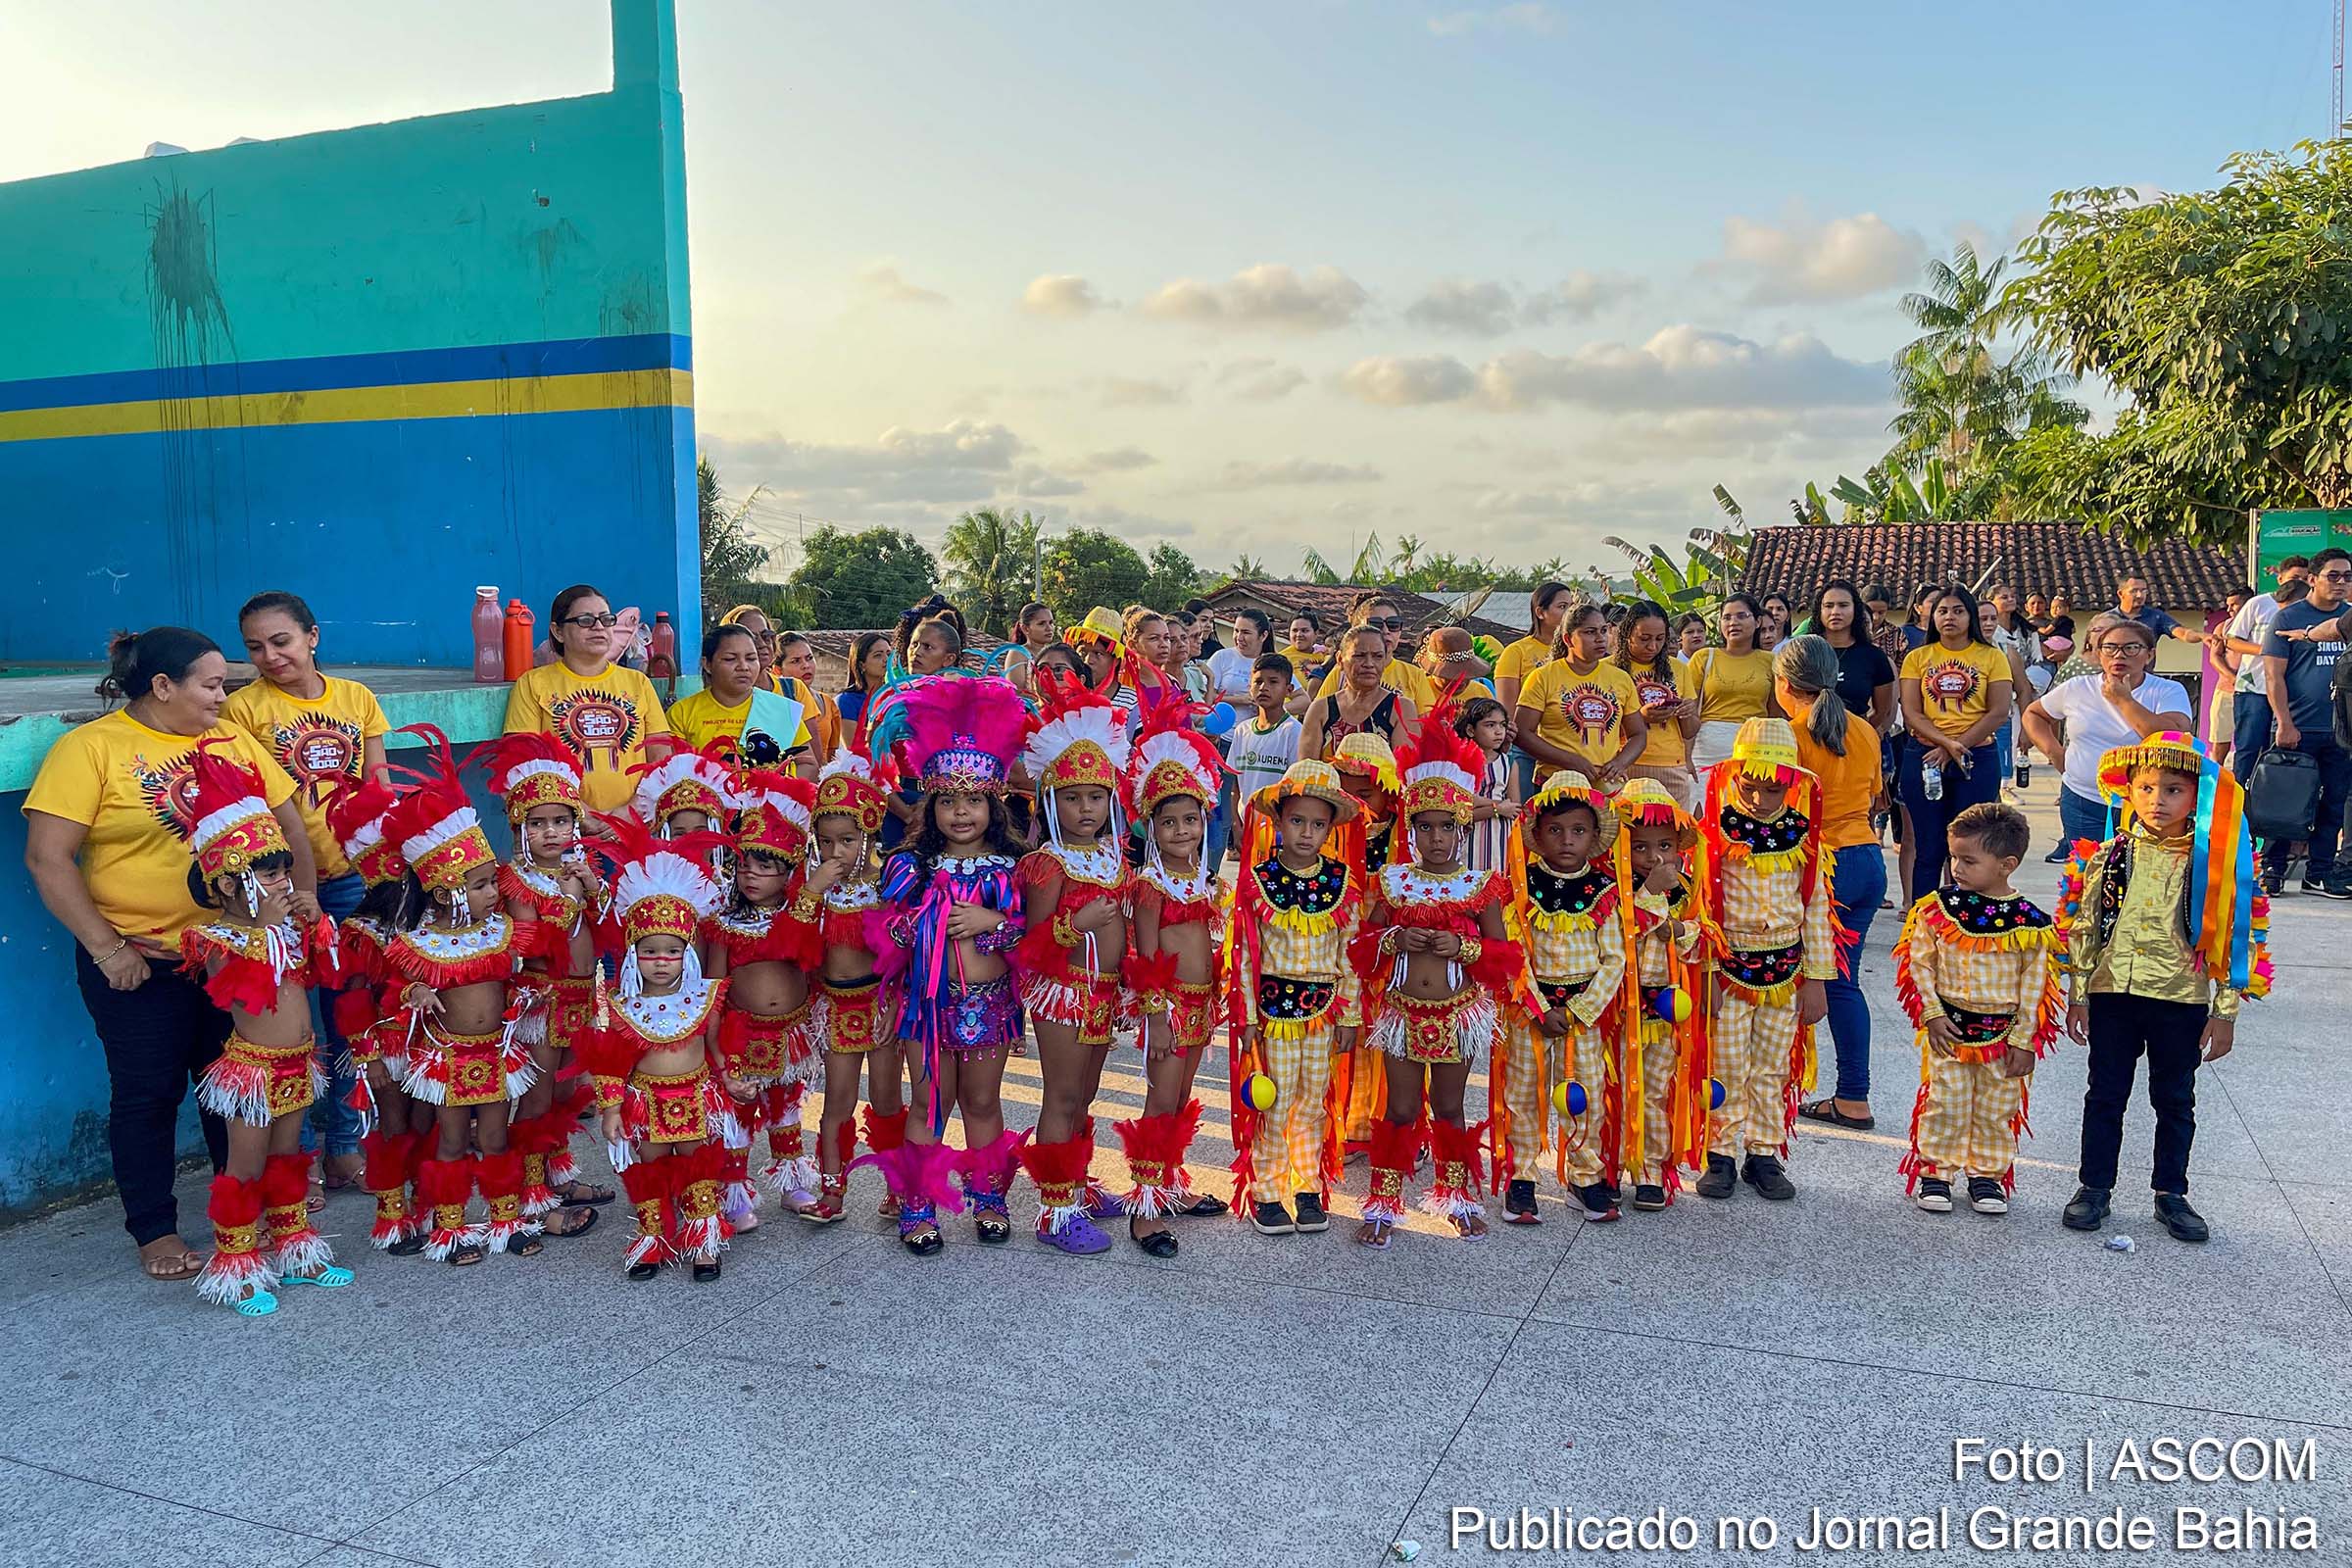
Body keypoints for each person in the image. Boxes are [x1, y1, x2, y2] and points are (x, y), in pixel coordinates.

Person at [24, 628, 310, 1284]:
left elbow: (288, 821)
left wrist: (304, 898)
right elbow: (47, 858)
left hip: (236, 956)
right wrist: (107, 948)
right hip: (143, 959)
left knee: (236, 1092)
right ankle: (154, 1229)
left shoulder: (232, 741)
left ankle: (240, 1215)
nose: (223, 694)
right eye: (211, 684)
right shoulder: (91, 749)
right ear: (162, 686)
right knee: (148, 1094)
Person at [2060, 734, 2272, 1243]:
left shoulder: (2218, 863)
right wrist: (2079, 993)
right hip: (2114, 995)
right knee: (2105, 1094)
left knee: (2175, 1099)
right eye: (2147, 788)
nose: (2158, 800)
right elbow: (2084, 926)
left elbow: (2235, 940)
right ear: (2128, 791)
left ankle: (2171, 1193)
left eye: (2174, 790)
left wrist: (2224, 1012)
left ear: (2196, 799)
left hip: (2183, 998)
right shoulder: (2107, 854)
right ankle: (2094, 1187)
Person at [224, 590, 391, 1208]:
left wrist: (385, 868)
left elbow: (378, 788)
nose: (270, 656)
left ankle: (345, 1147)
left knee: (349, 1017)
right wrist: (291, 890)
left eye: (282, 641)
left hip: (353, 881)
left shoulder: (357, 699)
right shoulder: (241, 710)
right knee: (292, 1027)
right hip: (282, 892)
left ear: (313, 636)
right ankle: (296, 1161)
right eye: (255, 647)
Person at [179, 743, 352, 1314]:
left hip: (297, 1063)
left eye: (283, 871)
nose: (283, 882)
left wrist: (317, 928)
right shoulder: (217, 941)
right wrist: (271, 931)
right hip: (251, 1072)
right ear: (230, 885)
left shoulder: (284, 931)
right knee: (245, 1166)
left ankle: (294, 1249)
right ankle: (237, 1266)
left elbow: (319, 976)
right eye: (270, 874)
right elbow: (240, 988)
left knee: (288, 1157)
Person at [1349, 712, 1524, 1249]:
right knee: (1400, 1108)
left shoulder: (1482, 885)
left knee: (1450, 1107)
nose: (1437, 837)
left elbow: (1504, 957)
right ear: (1410, 828)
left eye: (1447, 826)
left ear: (1462, 825)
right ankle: (1384, 1199)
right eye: (1425, 826)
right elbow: (1360, 952)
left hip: (1459, 1014)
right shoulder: (1392, 881)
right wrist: (1391, 941)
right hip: (1401, 1015)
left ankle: (1456, 1196)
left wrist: (1463, 947)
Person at [872, 674, 1029, 1255]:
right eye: (948, 800)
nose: (961, 812)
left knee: (984, 1103)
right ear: (930, 805)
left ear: (993, 804)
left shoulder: (1014, 868)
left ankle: (988, 1195)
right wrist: (927, 920)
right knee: (929, 1103)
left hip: (990, 1007)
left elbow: (1030, 939)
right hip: (927, 1006)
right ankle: (919, 1201)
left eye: (973, 801)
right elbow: (889, 933)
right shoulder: (909, 865)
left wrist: (993, 923)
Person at [381, 735, 541, 1266]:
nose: (492, 893)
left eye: (490, 881)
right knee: (451, 1139)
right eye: (478, 885)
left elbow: (512, 974)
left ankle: (504, 1219)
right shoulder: (416, 944)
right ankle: (449, 1228)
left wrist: (526, 992)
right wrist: (415, 990)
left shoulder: (498, 933)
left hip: (495, 1053)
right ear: (446, 887)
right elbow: (392, 993)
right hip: (448, 1060)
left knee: (495, 1136)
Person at [1890, 803, 2063, 1217]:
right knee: (1944, 1101)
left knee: (1996, 1108)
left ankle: (1987, 1175)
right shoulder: (1937, 909)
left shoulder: (2030, 923)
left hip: (2003, 1037)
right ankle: (1936, 1172)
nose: (1957, 868)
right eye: (1953, 858)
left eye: (1969, 860)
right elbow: (1919, 962)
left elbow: (2035, 985)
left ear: (2007, 864)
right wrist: (1931, 1013)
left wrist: (2024, 1041)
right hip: (1949, 1028)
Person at [579, 823, 734, 1282]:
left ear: (687, 954)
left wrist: (730, 1078)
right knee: (650, 1166)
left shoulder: (706, 997)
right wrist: (610, 1109)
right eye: (650, 951)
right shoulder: (618, 1004)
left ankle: (703, 1238)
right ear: (632, 954)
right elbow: (608, 1062)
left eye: (671, 951)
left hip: (696, 1096)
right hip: (644, 1102)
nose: (661, 960)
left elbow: (717, 1045)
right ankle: (655, 1238)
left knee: (698, 1164)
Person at [1013, 672, 1135, 1255]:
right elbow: (1031, 944)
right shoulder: (1045, 863)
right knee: (1060, 1097)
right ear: (1050, 799)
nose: (1085, 808)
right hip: (1063, 991)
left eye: (1096, 797)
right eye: (1072, 796)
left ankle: (1077, 1181)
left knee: (1086, 1095)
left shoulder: (1115, 855)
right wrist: (1073, 926)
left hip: (1104, 994)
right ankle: (1054, 1210)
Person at [1693, 717, 1837, 1202]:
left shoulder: (1804, 836)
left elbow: (1816, 908)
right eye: (1750, 787)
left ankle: (1763, 1153)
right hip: (1730, 970)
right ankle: (1720, 1154)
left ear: (1792, 784)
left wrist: (1817, 979)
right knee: (1728, 1064)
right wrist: (1708, 971)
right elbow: (1703, 908)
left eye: (1772, 790)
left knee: (1773, 1066)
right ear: (1735, 778)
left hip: (1787, 973)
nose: (1758, 799)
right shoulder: (1714, 831)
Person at [1226, 760, 1364, 1236]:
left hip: (1324, 1014)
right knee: (1275, 1101)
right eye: (1297, 821)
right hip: (1273, 1013)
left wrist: (1351, 1013)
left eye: (1318, 824)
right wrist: (1245, 1016)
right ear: (1279, 822)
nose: (1307, 833)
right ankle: (1267, 1191)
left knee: (1312, 1102)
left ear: (1330, 828)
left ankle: (1308, 1188)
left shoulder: (1342, 881)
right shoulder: (1258, 880)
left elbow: (1350, 953)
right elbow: (1244, 956)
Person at [1116, 697, 1231, 1254]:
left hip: (1202, 1007)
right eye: (1169, 822)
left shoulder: (1209, 883)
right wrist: (1156, 1020)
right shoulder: (1150, 888)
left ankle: (1170, 1185)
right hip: (1168, 1010)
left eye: (1190, 819)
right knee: (1160, 1102)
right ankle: (1144, 1207)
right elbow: (1141, 958)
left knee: (1182, 1096)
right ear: (1152, 828)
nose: (1182, 830)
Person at [484, 733, 611, 1240]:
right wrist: (571, 896)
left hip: (582, 997)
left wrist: (594, 890)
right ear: (520, 829)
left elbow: (602, 932)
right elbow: (531, 941)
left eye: (561, 821)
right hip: (542, 1000)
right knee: (536, 1100)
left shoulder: (585, 871)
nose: (552, 832)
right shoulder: (516, 879)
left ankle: (558, 1176)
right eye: (538, 824)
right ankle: (531, 1195)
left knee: (567, 1094)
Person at [1499, 772, 1625, 1225]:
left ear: (1593, 837)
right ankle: (1521, 1178)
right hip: (1529, 1012)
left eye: (1578, 831)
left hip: (1581, 1017)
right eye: (1555, 830)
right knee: (1524, 1093)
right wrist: (1538, 1006)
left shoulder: (1606, 890)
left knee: (1584, 1095)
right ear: (1536, 835)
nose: (1566, 840)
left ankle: (1585, 1177)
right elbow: (1513, 952)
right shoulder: (1521, 884)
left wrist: (1576, 1011)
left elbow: (1615, 959)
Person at [702, 768, 826, 1228]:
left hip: (792, 1031)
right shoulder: (723, 923)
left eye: (766, 865)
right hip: (741, 1031)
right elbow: (714, 989)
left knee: (787, 1106)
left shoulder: (801, 918)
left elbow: (805, 961)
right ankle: (733, 1191)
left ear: (790, 871)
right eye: (745, 865)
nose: (752, 874)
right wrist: (714, 1049)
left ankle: (793, 1182)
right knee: (738, 1111)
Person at [1775, 639, 1886, 1135]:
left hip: (1824, 866)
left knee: (1809, 980)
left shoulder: (1787, 735)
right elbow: (1877, 795)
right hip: (1866, 858)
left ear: (1783, 684)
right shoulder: (1863, 729)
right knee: (1844, 980)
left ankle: (1848, 1095)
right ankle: (1850, 1095)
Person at [2019, 614, 2193, 861]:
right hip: (2083, 799)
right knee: (2087, 876)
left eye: (2131, 648)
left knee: (2139, 877)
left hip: (2147, 807)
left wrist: (2124, 700)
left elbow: (2171, 737)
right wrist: (2056, 753)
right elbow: (2034, 714)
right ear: (2098, 653)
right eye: (2109, 648)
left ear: (2149, 654)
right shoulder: (2078, 687)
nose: (2119, 655)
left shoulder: (2167, 690)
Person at [1619, 778, 1714, 1212]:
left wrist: (1679, 927)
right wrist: (1651, 893)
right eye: (1639, 847)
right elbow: (1624, 931)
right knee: (1613, 1088)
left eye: (1664, 845)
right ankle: (1603, 1168)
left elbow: (1704, 936)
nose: (1654, 857)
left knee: (1656, 1090)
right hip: (1617, 1010)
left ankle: (1650, 1171)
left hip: (1666, 1013)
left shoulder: (1689, 885)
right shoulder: (1611, 888)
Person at [505, 584, 673, 815]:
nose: (598, 627)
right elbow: (522, 763)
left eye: (606, 619)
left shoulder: (639, 683)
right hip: (562, 825)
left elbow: (660, 758)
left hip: (635, 823)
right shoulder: (533, 684)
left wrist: (632, 810)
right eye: (585, 620)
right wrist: (581, 814)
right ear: (558, 631)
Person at [1897, 584, 2012, 899]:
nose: (1950, 617)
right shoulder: (1918, 657)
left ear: (1970, 616)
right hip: (1924, 756)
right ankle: (1921, 922)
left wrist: (1956, 745)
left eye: (1958, 611)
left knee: (1971, 845)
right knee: (1929, 847)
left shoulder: (1991, 656)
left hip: (1977, 757)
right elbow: (1911, 711)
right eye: (1942, 611)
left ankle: (1966, 917)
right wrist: (1946, 746)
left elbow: (1998, 711)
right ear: (1932, 616)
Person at [2261, 547, 2352, 897]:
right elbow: (2274, 677)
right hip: (2298, 727)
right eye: (2333, 576)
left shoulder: (2348, 618)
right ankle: (2273, 866)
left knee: (2334, 802)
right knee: (2286, 800)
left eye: (2347, 577)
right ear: (2312, 579)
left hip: (2341, 732)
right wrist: (2284, 722)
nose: (2341, 583)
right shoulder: (2288, 618)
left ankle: (2320, 872)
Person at [1514, 603, 1647, 789]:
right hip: (1557, 782)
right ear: (1568, 639)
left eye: (1603, 631)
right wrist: (1569, 760)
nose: (1600, 639)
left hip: (1605, 784)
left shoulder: (1620, 679)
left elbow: (1638, 734)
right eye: (1590, 632)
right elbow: (1522, 732)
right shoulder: (1543, 677)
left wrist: (1620, 763)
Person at [667, 624, 813, 774]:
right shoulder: (682, 713)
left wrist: (777, 791)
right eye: (730, 659)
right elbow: (673, 771)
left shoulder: (782, 710)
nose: (743, 666)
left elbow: (808, 764)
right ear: (707, 664)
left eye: (751, 658)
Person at [2219, 557, 2312, 782]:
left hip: (2293, 695)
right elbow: (2230, 641)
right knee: (2249, 750)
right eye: (2293, 578)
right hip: (2255, 689)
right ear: (2280, 579)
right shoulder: (2258, 604)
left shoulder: (2313, 609)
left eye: (2304, 579)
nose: (2298, 583)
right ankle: (2240, 806)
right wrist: (2269, 649)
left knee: (2286, 753)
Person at [1613, 599, 1698, 809]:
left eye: (1660, 639)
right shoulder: (1609, 670)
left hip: (1672, 764)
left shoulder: (1679, 669)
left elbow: (1690, 732)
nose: (1652, 646)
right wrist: (1640, 718)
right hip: (1624, 764)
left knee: (1675, 833)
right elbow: (1602, 727)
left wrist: (1687, 713)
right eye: (1644, 639)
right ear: (1626, 634)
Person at [1300, 624, 1417, 763]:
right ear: (1340, 659)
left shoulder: (1401, 708)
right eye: (1359, 656)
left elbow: (1405, 773)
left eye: (1378, 656)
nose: (1369, 663)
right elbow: (1305, 771)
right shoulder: (1321, 709)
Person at [1686, 594, 1775, 772]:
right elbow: (1689, 711)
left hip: (1755, 747)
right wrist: (1686, 757)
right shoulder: (1703, 657)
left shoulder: (1772, 661)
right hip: (1707, 751)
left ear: (1758, 622)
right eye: (1727, 618)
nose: (1733, 622)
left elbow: (1775, 714)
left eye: (1741, 616)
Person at [1312, 593, 1441, 712]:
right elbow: (1319, 717)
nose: (1385, 631)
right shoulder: (1341, 673)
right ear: (1357, 629)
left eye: (1393, 624)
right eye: (1375, 624)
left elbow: (1428, 726)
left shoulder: (1415, 676)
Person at [1494, 583, 1573, 756]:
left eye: (1571, 606)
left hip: (1569, 746)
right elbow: (1507, 711)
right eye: (1562, 607)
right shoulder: (1516, 652)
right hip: (1525, 747)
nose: (1569, 613)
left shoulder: (1576, 652)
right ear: (1540, 612)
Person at [1809, 580, 1897, 733]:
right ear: (1819, 611)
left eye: (1843, 605)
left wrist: (1860, 731)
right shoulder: (1805, 653)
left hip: (1855, 740)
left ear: (1855, 609)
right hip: (1808, 739)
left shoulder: (1873, 656)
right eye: (1828, 606)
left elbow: (1882, 711)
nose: (1835, 612)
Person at [1982, 585, 2039, 787]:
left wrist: (2027, 729)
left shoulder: (2007, 648)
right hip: (1964, 725)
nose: (1988, 624)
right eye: (1982, 619)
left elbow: (2024, 689)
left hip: (2002, 719)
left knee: (1998, 777)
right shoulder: (1959, 650)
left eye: (1992, 619)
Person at [1456, 697, 1519, 875]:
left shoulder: (1509, 763)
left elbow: (1514, 810)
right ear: (1470, 730)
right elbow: (1458, 814)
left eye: (1502, 725)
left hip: (1499, 841)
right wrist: (1497, 808)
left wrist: (1479, 801)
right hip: (1466, 842)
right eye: (1490, 725)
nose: (1499, 732)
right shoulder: (1458, 764)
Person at [834, 631, 894, 753]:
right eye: (878, 655)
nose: (886, 660)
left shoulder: (898, 696)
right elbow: (853, 748)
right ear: (862, 665)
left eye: (889, 654)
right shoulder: (847, 701)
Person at [2116, 573, 2206, 648]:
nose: (2140, 595)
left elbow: (2183, 633)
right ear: (2120, 594)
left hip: (2144, 669)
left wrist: (2203, 636)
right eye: (2134, 591)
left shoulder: (2156, 616)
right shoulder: (2107, 619)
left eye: (2143, 591)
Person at [1001, 601, 1057, 697]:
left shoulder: (1055, 654)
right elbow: (1016, 692)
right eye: (1041, 624)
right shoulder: (1018, 653)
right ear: (1026, 629)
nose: (1049, 628)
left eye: (1051, 623)